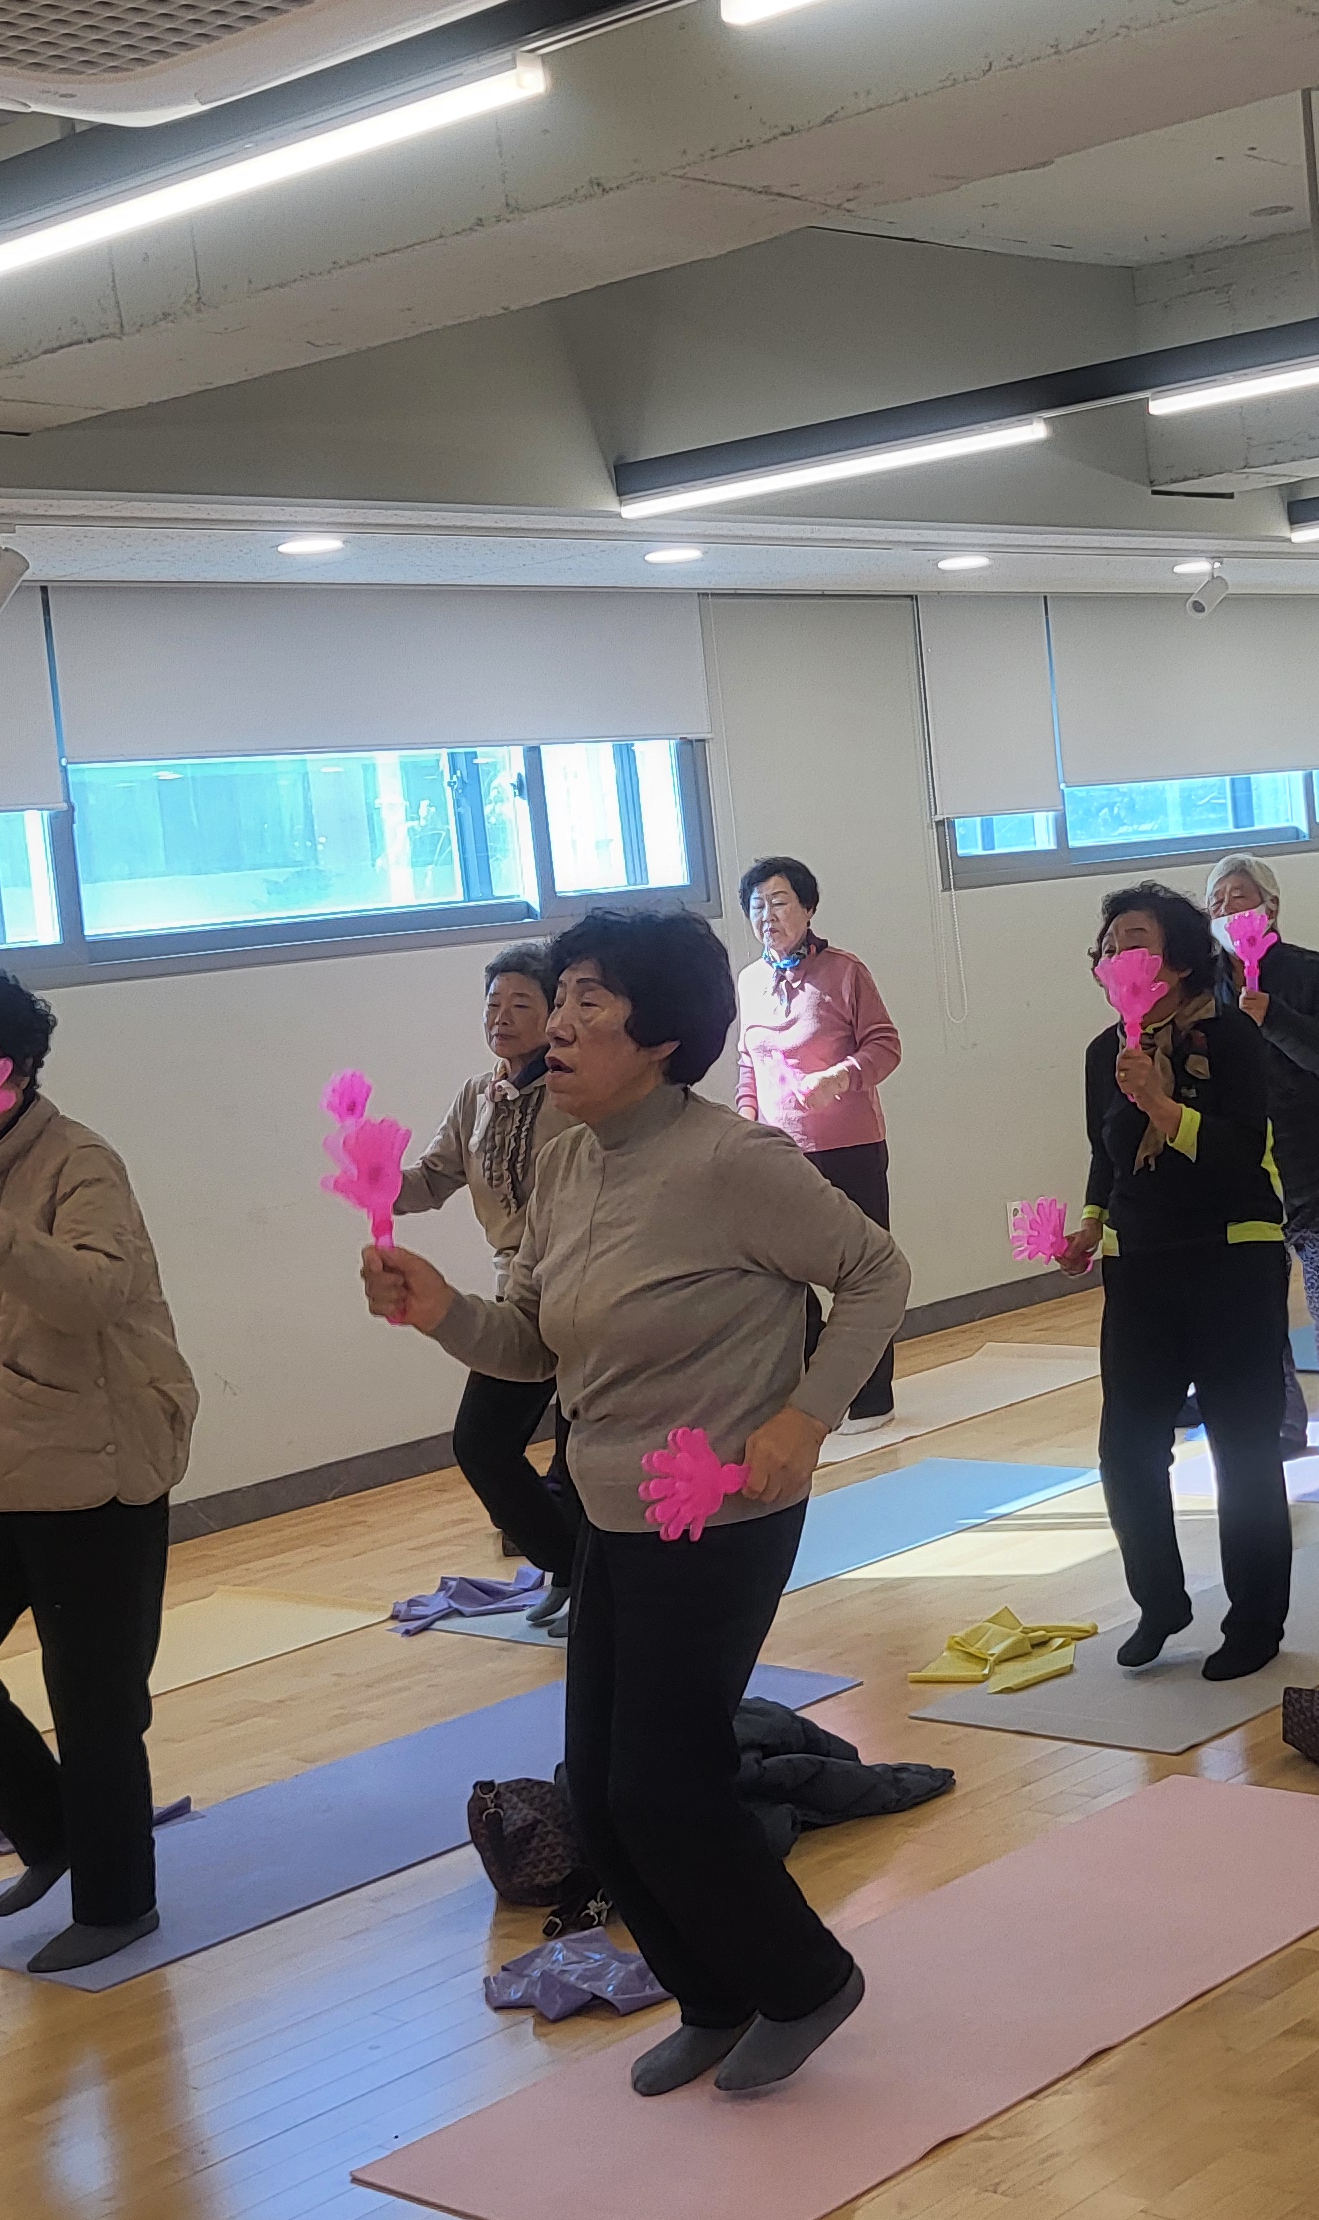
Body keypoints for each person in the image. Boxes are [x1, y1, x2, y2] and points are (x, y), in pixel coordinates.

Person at [363, 906, 910, 2096]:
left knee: (667, 1785)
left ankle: (808, 1982)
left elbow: (876, 1273)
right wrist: (440, 1309)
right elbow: (528, 1343)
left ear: (660, 1035)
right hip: (610, 1510)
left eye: (587, 1003)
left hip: (720, 1513)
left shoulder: (734, 1162)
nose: (555, 1027)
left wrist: (804, 1417)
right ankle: (712, 1998)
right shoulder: (563, 1159)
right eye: (558, 999)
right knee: (603, 1799)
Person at [0, 969, 200, 1978]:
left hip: (98, 1464)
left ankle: (118, 1900)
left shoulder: (78, 1160)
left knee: (95, 1699)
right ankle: (53, 1831)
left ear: (14, 1065)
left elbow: (95, 1292)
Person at [1055, 881, 1297, 1680]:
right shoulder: (1104, 1053)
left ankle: (1255, 1621)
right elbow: (1106, 1155)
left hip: (1233, 1256)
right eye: (1109, 945)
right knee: (1126, 1449)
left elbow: (1242, 1152)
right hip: (1140, 1266)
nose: (1118, 954)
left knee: (1243, 1448)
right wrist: (1090, 1222)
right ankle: (1160, 1601)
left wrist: (1162, 1104)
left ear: (1183, 960)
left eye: (1136, 939)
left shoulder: (1230, 1037)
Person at [402, 942, 579, 1621]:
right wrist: (377, 1182)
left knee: (579, 1451)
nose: (501, 1017)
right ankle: (572, 1566)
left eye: (520, 1004)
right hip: (518, 1296)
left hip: (583, 1288)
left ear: (553, 1012)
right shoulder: (477, 1095)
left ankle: (585, 1579)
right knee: (482, 1444)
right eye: (492, 1004)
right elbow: (431, 1180)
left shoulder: (572, 1089)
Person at [1207, 852, 1319, 1461]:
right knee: (1256, 1307)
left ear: (1271, 907)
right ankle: (1281, 1421)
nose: (1227, 908)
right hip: (1242, 1173)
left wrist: (1272, 1016)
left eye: (1239, 895)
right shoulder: (1201, 986)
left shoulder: (1313, 972)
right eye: (1216, 900)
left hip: (1317, 1164)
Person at [732, 854, 904, 1431]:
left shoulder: (845, 972)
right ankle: (816, 1391)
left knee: (864, 1272)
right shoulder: (749, 981)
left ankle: (872, 1397)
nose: (768, 915)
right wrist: (745, 1122)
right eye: (757, 905)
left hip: (850, 1146)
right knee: (780, 1277)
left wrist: (840, 1078)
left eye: (780, 902)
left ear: (808, 908)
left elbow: (885, 1045)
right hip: (778, 1154)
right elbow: (747, 1065)